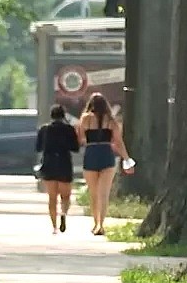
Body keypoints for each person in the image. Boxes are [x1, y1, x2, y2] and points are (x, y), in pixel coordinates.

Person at [77, 92, 135, 236]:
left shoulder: (85, 118)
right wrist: (127, 159)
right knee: (104, 193)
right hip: (106, 155)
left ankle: (95, 222)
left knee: (94, 193)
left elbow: (80, 137)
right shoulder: (111, 121)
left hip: (91, 154)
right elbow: (118, 142)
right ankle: (101, 225)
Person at [36, 104, 80, 234]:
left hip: (49, 164)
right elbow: (75, 148)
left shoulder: (44, 130)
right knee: (65, 196)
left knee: (52, 197)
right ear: (63, 115)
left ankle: (54, 226)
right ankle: (64, 214)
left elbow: (38, 148)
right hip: (64, 164)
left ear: (51, 116)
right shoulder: (69, 129)